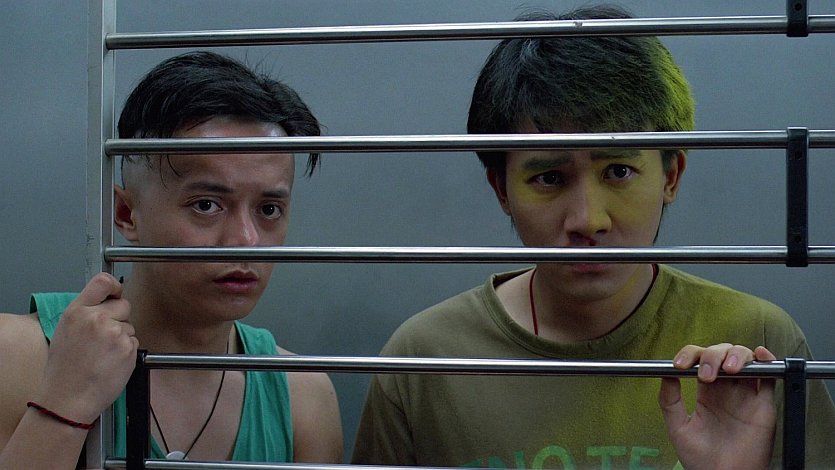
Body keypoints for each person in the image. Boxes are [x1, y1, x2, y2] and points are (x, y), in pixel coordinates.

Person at [352, 5, 835, 469]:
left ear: (670, 175)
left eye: (619, 171)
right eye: (549, 178)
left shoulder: (758, 344)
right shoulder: (422, 360)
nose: (588, 220)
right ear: (502, 190)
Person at [0, 51, 342, 469]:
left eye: (269, 209)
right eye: (206, 205)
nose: (246, 241)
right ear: (127, 214)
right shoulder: (17, 356)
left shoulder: (302, 395)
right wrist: (63, 405)